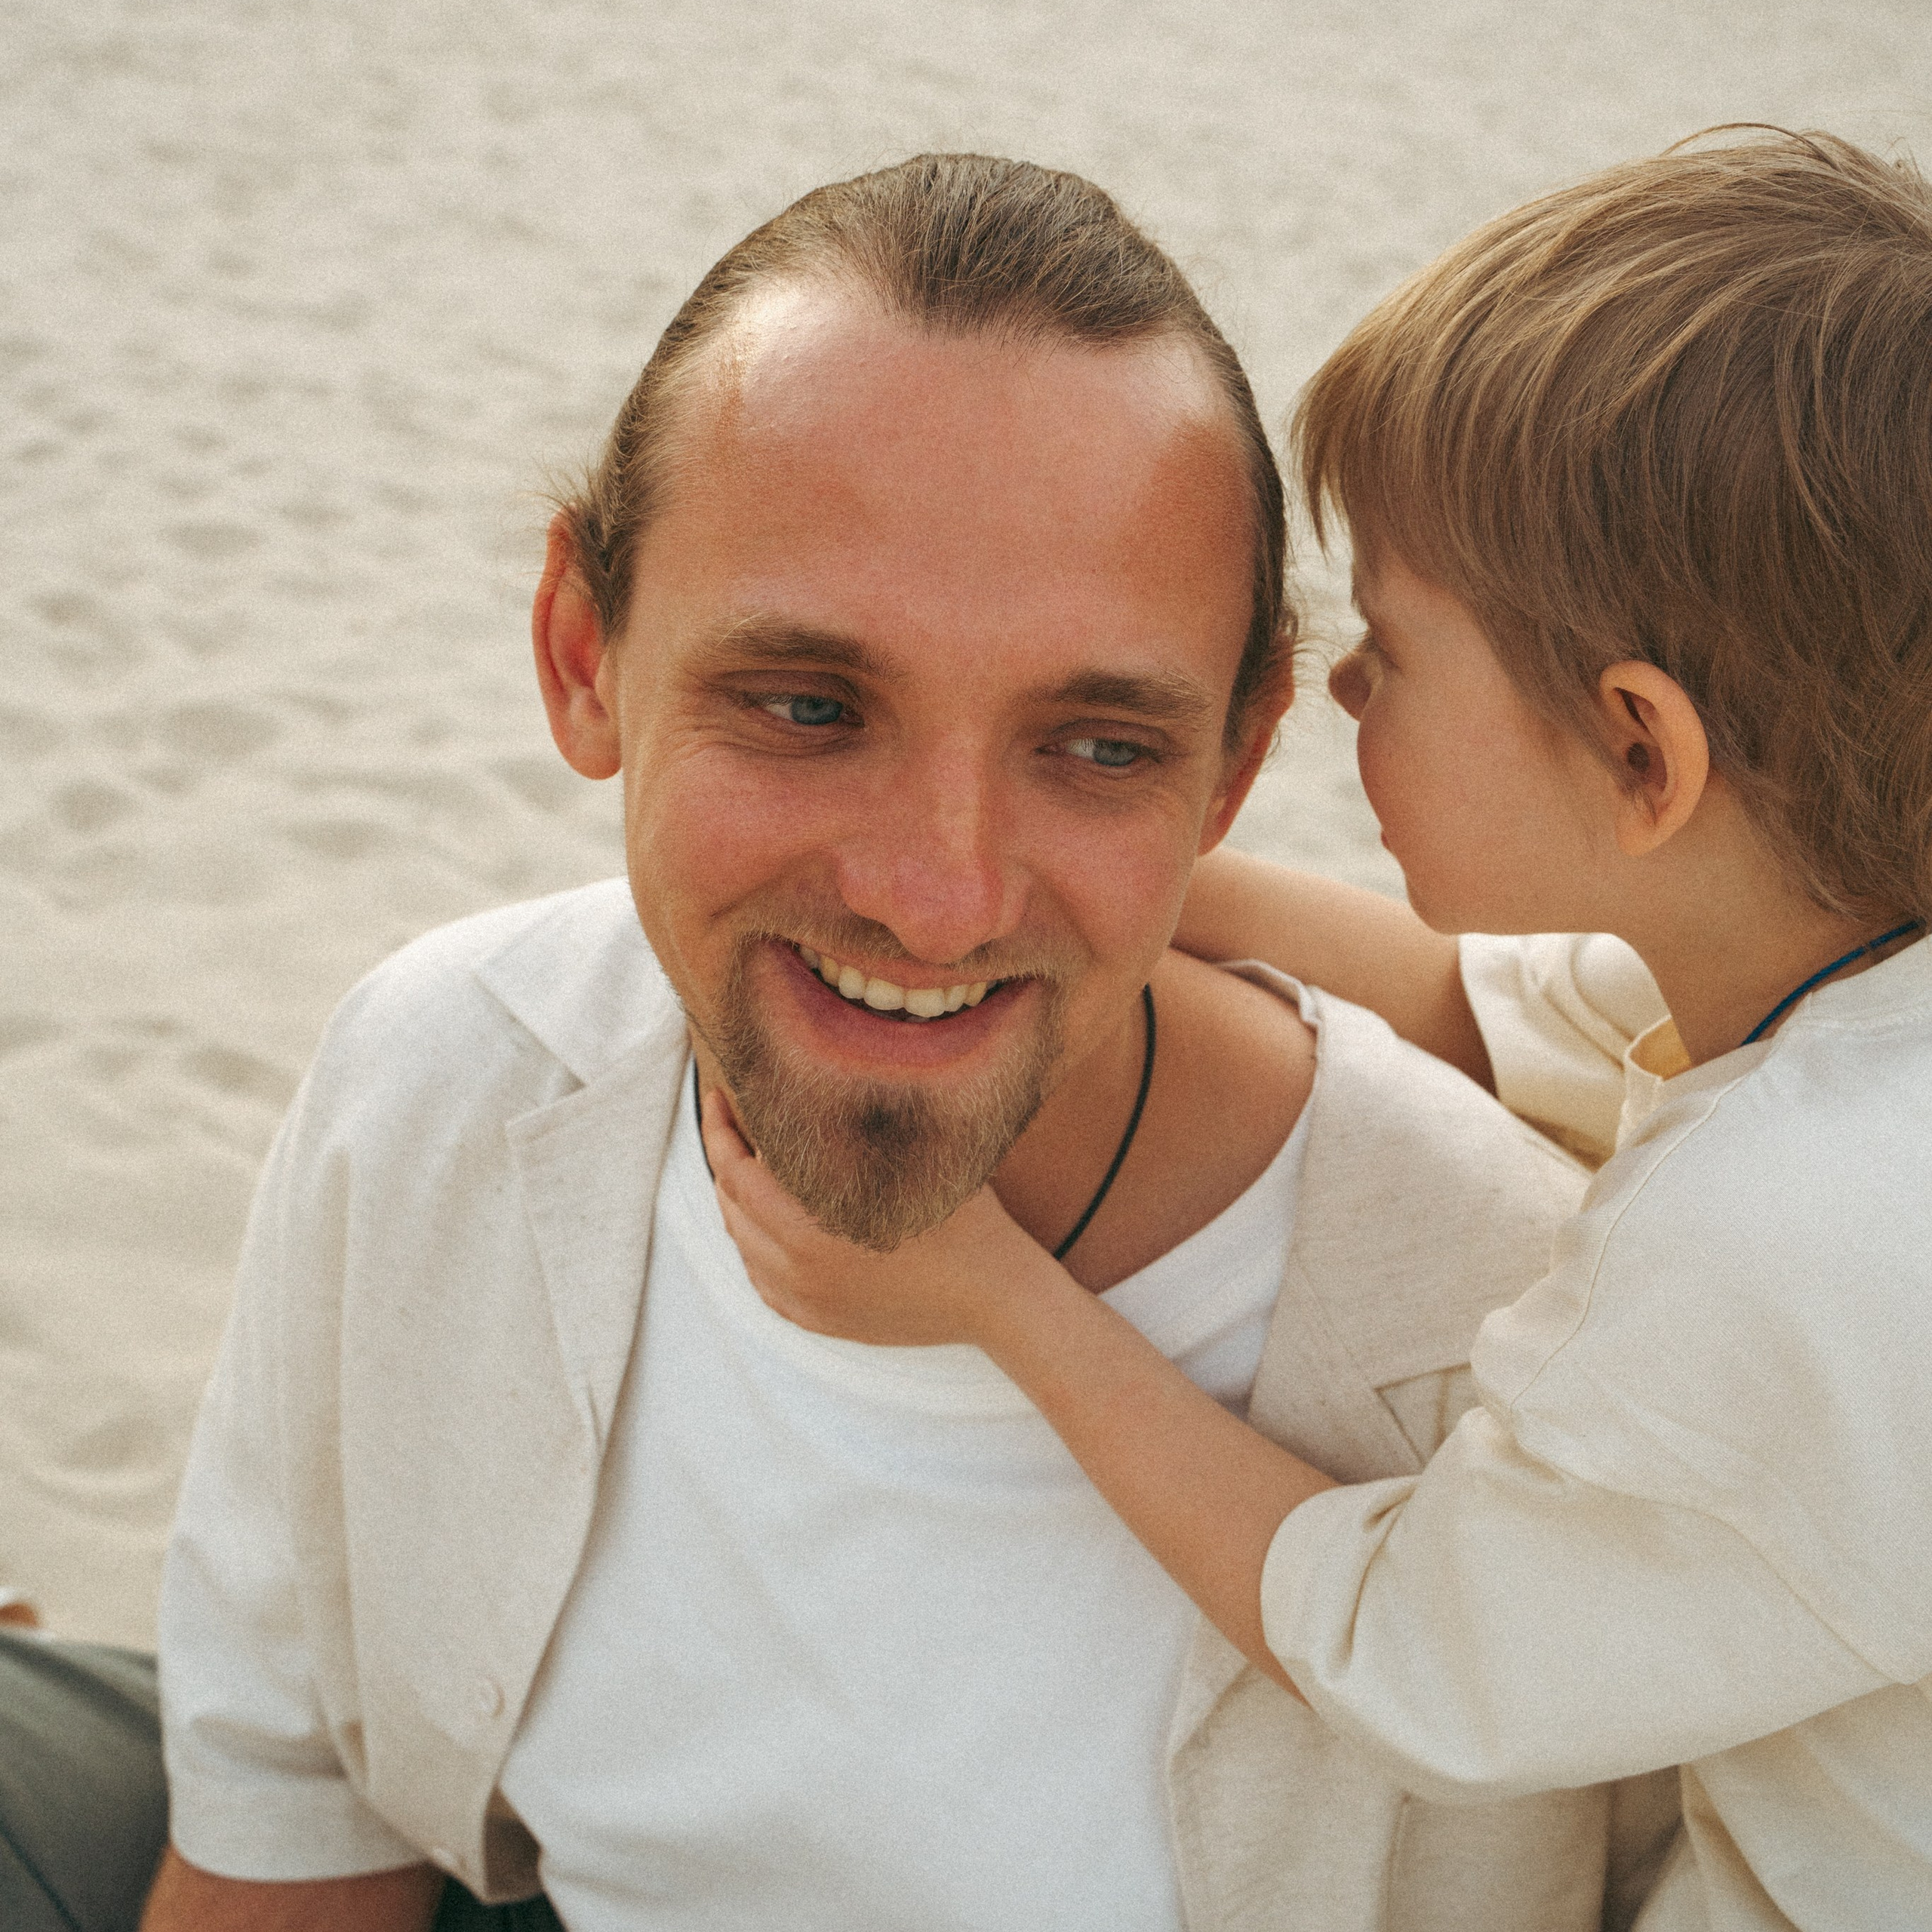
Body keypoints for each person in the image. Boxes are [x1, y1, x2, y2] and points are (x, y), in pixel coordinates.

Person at [82, 155, 1677, 1932]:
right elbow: (293, 1824)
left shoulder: (1509, 1341)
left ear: (1232, 769)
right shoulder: (443, 1080)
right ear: (581, 651)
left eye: (1094, 745)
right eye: (809, 707)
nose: (936, 897)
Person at [706, 130, 1932, 1932]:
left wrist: (991, 1294)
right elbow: (1467, 1007)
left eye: (1387, 649)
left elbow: (1410, 1649)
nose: (1337, 689)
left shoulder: (1764, 1243)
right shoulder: (1832, 985)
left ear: (1638, 755)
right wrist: (1069, 866)